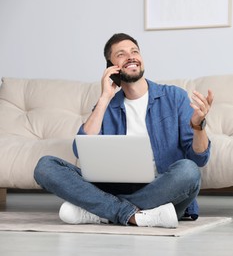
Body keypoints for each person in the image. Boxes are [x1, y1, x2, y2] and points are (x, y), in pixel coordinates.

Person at [34, 33, 214, 228]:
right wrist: (104, 99)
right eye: (121, 54)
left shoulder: (174, 96)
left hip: (159, 188)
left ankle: (102, 211)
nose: (130, 56)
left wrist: (198, 126)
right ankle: (136, 215)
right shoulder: (107, 106)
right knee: (45, 167)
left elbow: (199, 159)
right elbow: (80, 150)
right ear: (111, 67)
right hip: (112, 187)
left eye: (134, 51)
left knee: (189, 172)